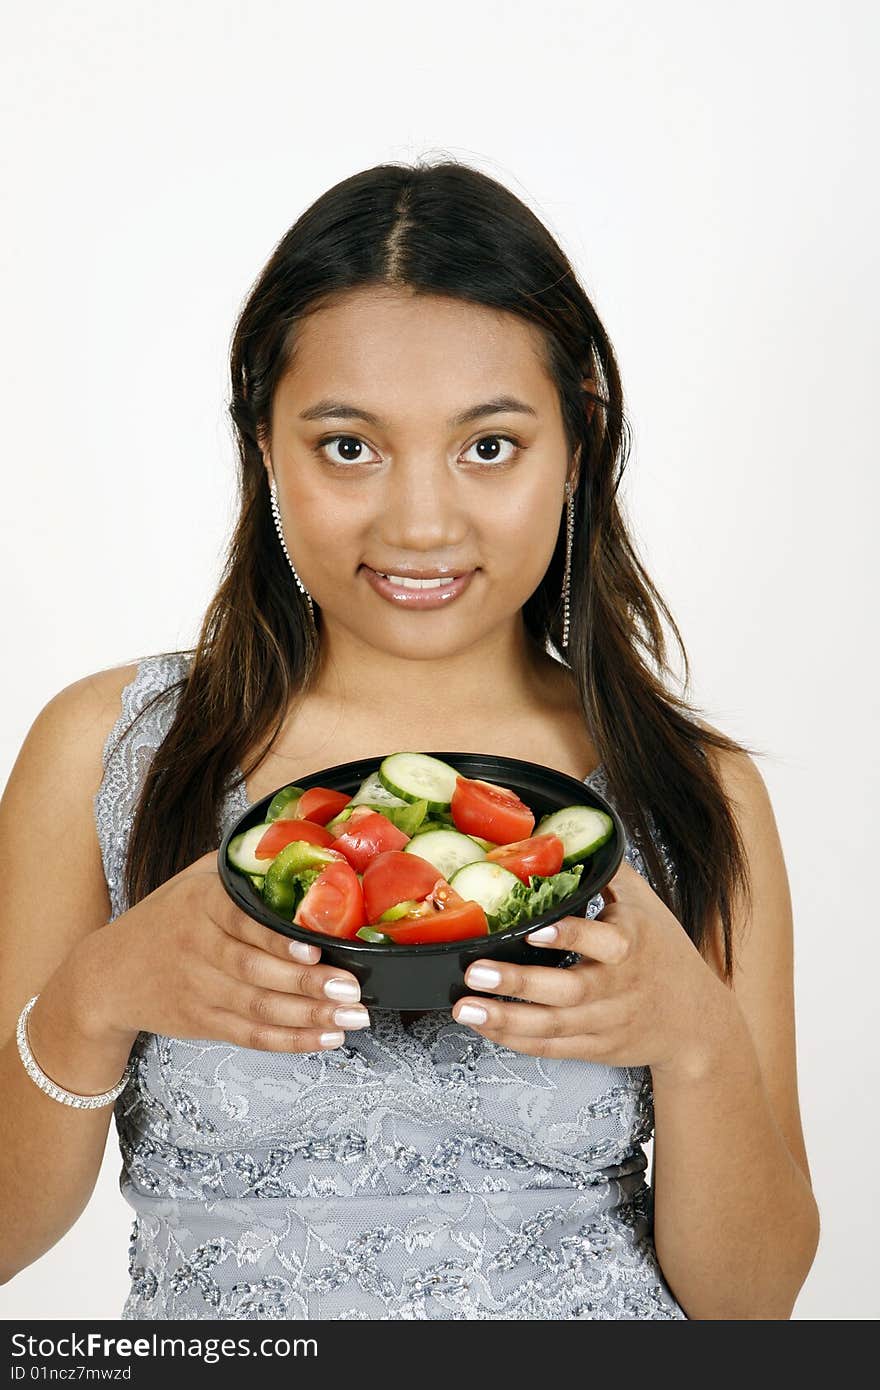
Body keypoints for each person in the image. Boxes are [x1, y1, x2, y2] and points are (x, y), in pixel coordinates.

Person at [0, 159, 819, 1321]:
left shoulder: (696, 789)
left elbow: (757, 1304)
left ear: (579, 438)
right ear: (262, 440)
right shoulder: (105, 748)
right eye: (348, 446)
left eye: (488, 446)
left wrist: (695, 1044)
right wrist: (92, 999)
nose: (420, 523)